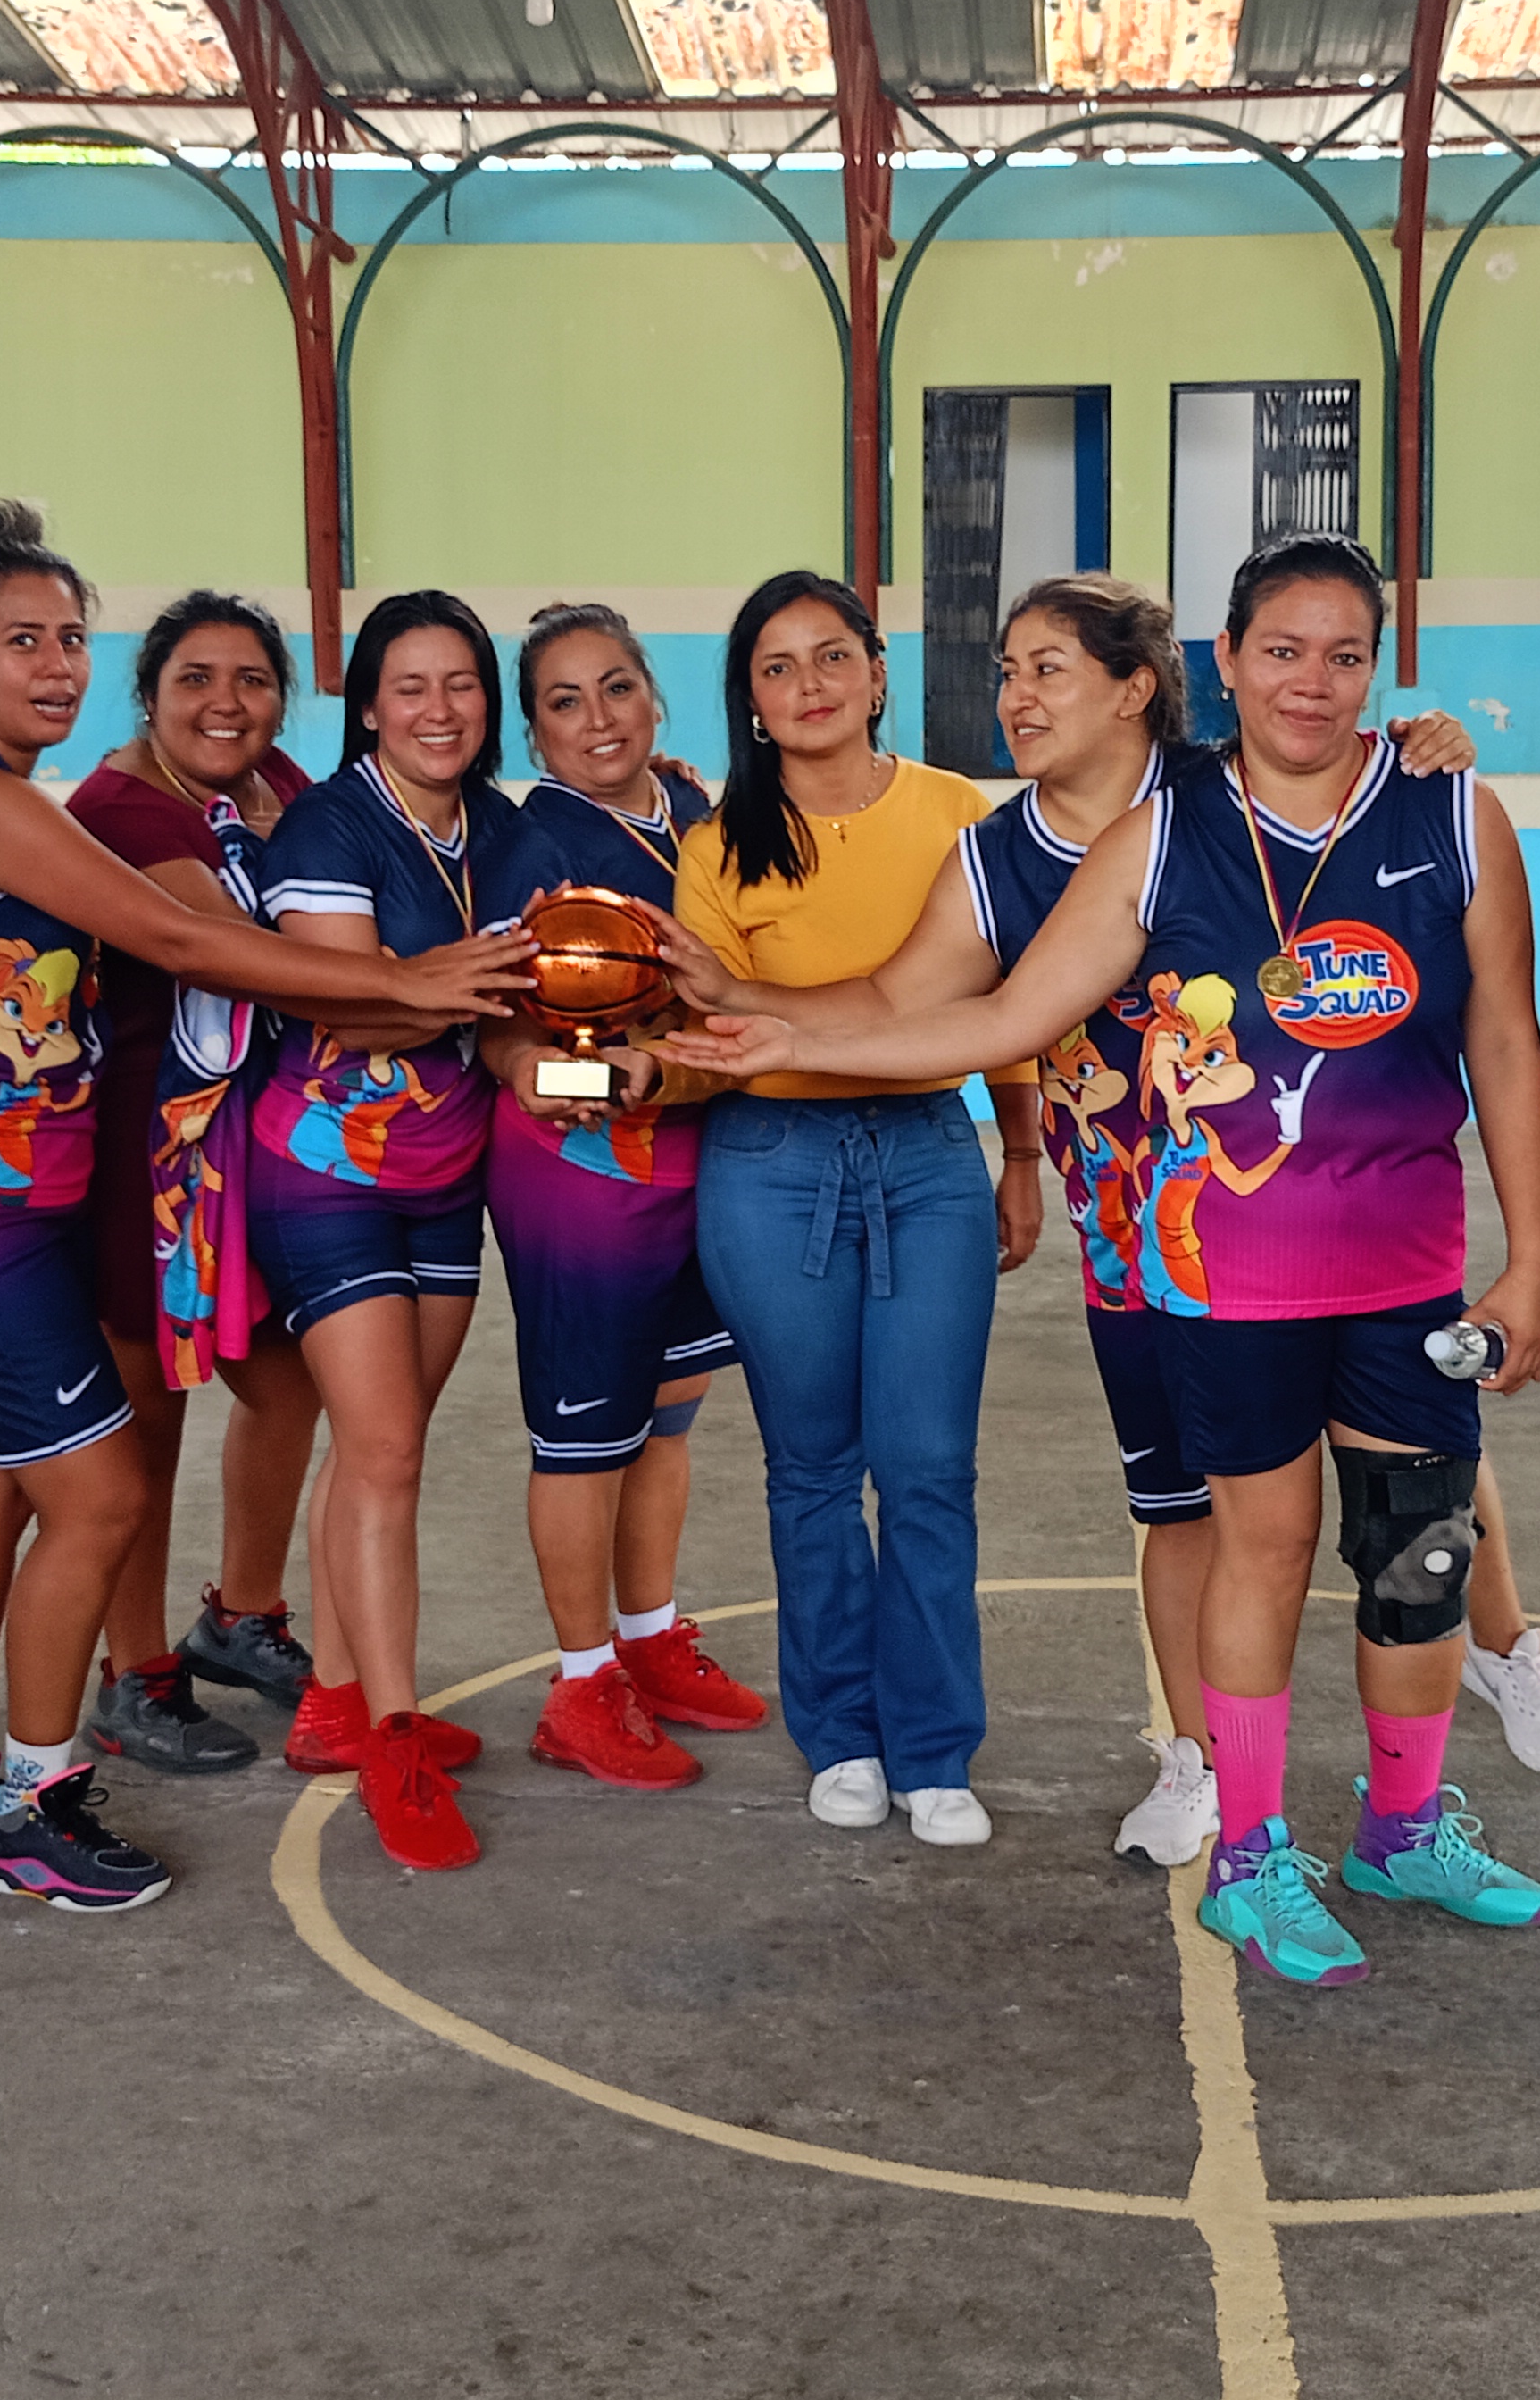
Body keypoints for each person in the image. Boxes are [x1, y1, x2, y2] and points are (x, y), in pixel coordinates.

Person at [680, 538, 1540, 1984]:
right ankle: (1247, 1843)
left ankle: (1407, 1821)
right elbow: (991, 1014)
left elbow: (1506, 1043)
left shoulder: (1444, 809)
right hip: (1207, 1267)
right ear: (1229, 659)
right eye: (1283, 650)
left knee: (1421, 1545)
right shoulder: (1136, 843)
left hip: (1403, 1268)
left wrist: (1534, 1262)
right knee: (1244, 1541)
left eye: (1345, 655)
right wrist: (780, 1030)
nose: (1313, 680)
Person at [0, 516, 534, 1912]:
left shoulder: (202, 790)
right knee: (106, 1485)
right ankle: (36, 1795)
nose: (54, 665)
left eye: (67, 638)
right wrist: (406, 983)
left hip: (44, 1189)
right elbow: (181, 939)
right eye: (21, 642)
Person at [674, 571, 1041, 1849]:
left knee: (930, 1468)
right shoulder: (718, 846)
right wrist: (590, 1078)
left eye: (833, 656)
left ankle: (935, 1747)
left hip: (932, 1153)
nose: (810, 684)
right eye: (777, 667)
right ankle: (840, 1733)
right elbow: (709, 1033)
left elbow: (1003, 996)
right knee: (814, 1469)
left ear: (878, 674)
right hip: (771, 1163)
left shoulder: (959, 814)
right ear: (752, 702)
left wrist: (1021, 1149)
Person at [246, 589, 555, 1871]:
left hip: (444, 1173)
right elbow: (347, 1008)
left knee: (381, 1447)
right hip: (328, 1173)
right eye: (410, 687)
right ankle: (390, 1733)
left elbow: (529, 1004)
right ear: (368, 707)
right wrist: (472, 984)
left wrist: (488, 1012)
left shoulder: (506, 826)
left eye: (462, 684)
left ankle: (329, 1698)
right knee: (385, 1453)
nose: (439, 709)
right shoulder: (330, 822)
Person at [478, 602, 770, 1792]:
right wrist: (571, 1073)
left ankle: (648, 1639)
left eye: (616, 688)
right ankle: (581, 1684)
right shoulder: (525, 848)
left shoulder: (696, 817)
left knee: (669, 1412)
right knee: (585, 1436)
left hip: (692, 1159)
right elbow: (499, 1031)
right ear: (534, 733)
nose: (597, 718)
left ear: (655, 697)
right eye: (564, 701)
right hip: (584, 1174)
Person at [62, 591, 325, 1774]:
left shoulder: (279, 785)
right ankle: (133, 1674)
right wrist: (414, 981)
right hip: (149, 1150)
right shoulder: (120, 808)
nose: (227, 702)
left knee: (287, 1382)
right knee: (144, 1416)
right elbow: (238, 950)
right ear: (150, 696)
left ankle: (240, 1616)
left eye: (252, 679)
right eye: (196, 680)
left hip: (251, 1143)